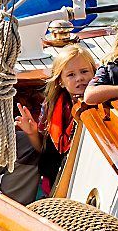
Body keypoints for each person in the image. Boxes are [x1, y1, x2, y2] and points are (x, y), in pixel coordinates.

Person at [16, 44, 97, 194]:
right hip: (55, 180)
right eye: (71, 75)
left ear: (94, 73)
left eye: (84, 71)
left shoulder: (99, 106)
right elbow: (42, 149)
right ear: (60, 81)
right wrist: (33, 133)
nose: (79, 78)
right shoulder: (52, 106)